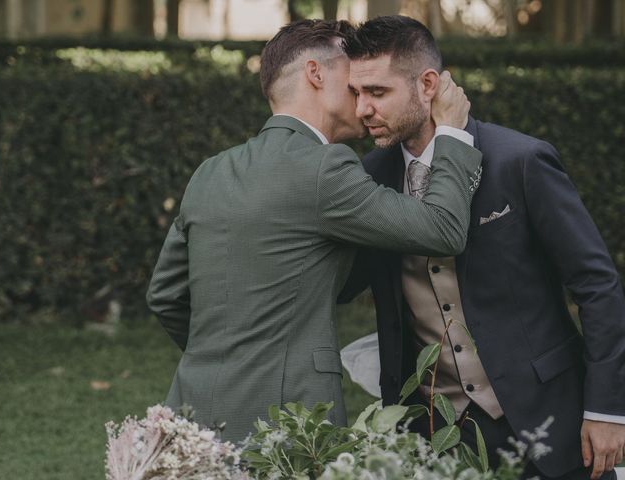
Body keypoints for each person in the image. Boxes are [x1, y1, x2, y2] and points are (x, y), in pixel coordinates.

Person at [146, 19, 482, 443]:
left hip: (193, 411)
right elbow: (443, 229)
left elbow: (165, 295)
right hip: (287, 423)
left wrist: (222, 361)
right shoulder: (325, 166)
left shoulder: (210, 172)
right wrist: (451, 132)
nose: (361, 99)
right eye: (353, 81)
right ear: (315, 73)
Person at [338, 15, 625, 479]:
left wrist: (607, 409)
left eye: (377, 92)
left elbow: (597, 286)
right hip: (433, 429)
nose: (363, 109)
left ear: (427, 84)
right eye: (356, 94)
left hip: (551, 414)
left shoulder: (520, 161)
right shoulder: (370, 176)